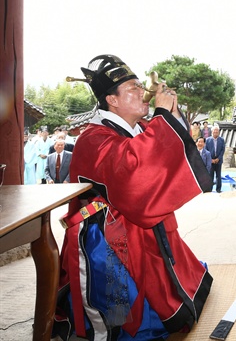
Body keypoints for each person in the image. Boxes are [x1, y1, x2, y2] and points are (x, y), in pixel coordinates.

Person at [53, 55, 213, 340]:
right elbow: (133, 170)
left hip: (137, 223)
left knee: (174, 278)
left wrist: (169, 116)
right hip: (107, 239)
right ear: (111, 100)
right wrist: (162, 117)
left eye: (142, 86)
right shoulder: (93, 138)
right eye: (133, 88)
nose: (143, 92)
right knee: (125, 319)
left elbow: (158, 157)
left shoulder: (134, 129)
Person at [206, 125, 226, 193]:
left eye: (217, 132)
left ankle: (218, 189)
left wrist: (218, 158)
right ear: (212, 132)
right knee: (210, 175)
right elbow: (206, 150)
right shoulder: (208, 140)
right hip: (210, 160)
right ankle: (210, 189)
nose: (215, 133)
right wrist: (210, 159)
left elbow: (222, 150)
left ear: (219, 132)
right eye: (214, 132)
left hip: (219, 160)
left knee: (218, 175)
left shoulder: (221, 140)